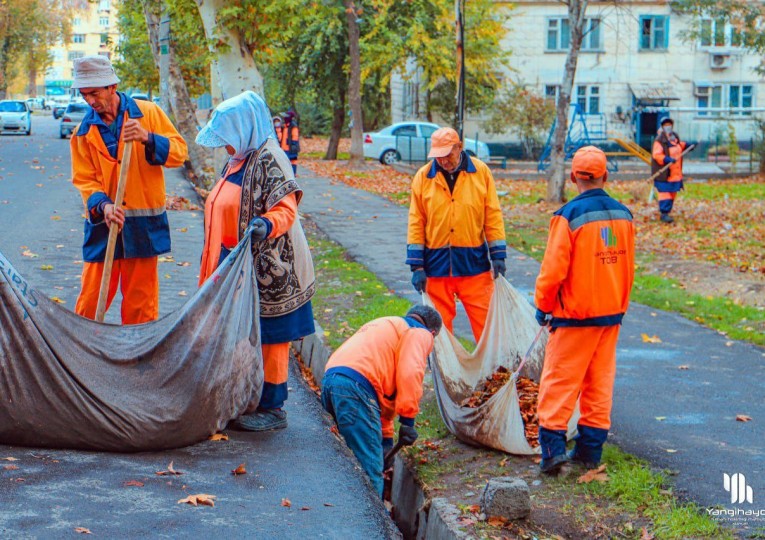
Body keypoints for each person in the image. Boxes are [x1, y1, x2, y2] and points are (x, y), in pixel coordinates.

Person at [196, 91, 315, 432]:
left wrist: (266, 223)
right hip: (234, 262)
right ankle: (246, 395)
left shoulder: (269, 159)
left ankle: (273, 407)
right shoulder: (237, 159)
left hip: (273, 268)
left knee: (272, 338)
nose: (224, 146)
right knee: (238, 333)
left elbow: (286, 208)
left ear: (244, 128)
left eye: (227, 138)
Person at [533, 146, 635, 474]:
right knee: (599, 383)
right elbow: (628, 267)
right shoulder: (624, 215)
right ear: (606, 176)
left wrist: (543, 307)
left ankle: (552, 452)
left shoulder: (568, 217)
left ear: (574, 177)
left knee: (559, 382)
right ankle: (590, 453)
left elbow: (552, 272)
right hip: (610, 315)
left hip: (574, 316)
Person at [70, 55, 188, 324]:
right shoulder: (82, 132)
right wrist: (104, 206)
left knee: (141, 309)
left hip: (143, 228)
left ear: (112, 86)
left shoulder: (148, 114)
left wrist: (148, 137)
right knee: (90, 304)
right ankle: (84, 359)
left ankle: (136, 361)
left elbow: (179, 154)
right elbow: (84, 180)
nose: (90, 100)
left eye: (94, 93)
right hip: (104, 227)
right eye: (84, 94)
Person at [321, 305, 442, 497]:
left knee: (340, 458)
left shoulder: (389, 326)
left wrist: (385, 443)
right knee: (370, 471)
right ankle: (372, 525)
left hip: (332, 381)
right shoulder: (420, 333)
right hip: (357, 388)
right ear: (433, 332)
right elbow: (411, 372)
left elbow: (382, 402)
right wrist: (408, 420)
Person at [406, 127, 507, 342]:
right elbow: (416, 222)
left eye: (447, 154)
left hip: (474, 265)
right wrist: (417, 266)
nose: (443, 161)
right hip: (436, 267)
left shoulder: (480, 173)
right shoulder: (423, 177)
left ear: (459, 147)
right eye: (438, 156)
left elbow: (492, 215)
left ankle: (492, 372)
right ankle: (447, 374)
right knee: (441, 334)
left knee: (487, 327)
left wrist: (498, 255)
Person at [651, 117, 695, 224]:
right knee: (664, 193)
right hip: (664, 173)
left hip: (675, 173)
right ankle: (664, 213)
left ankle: (667, 212)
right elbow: (656, 155)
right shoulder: (659, 141)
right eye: (665, 125)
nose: (668, 127)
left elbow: (679, 146)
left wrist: (688, 145)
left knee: (672, 193)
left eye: (669, 124)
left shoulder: (674, 138)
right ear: (662, 126)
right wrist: (666, 159)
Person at [276, 109, 300, 175]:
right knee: (284, 162)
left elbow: (295, 137)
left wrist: (293, 147)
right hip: (284, 148)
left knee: (292, 161)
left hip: (290, 149)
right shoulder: (285, 126)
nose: (284, 118)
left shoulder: (293, 126)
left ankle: (293, 174)